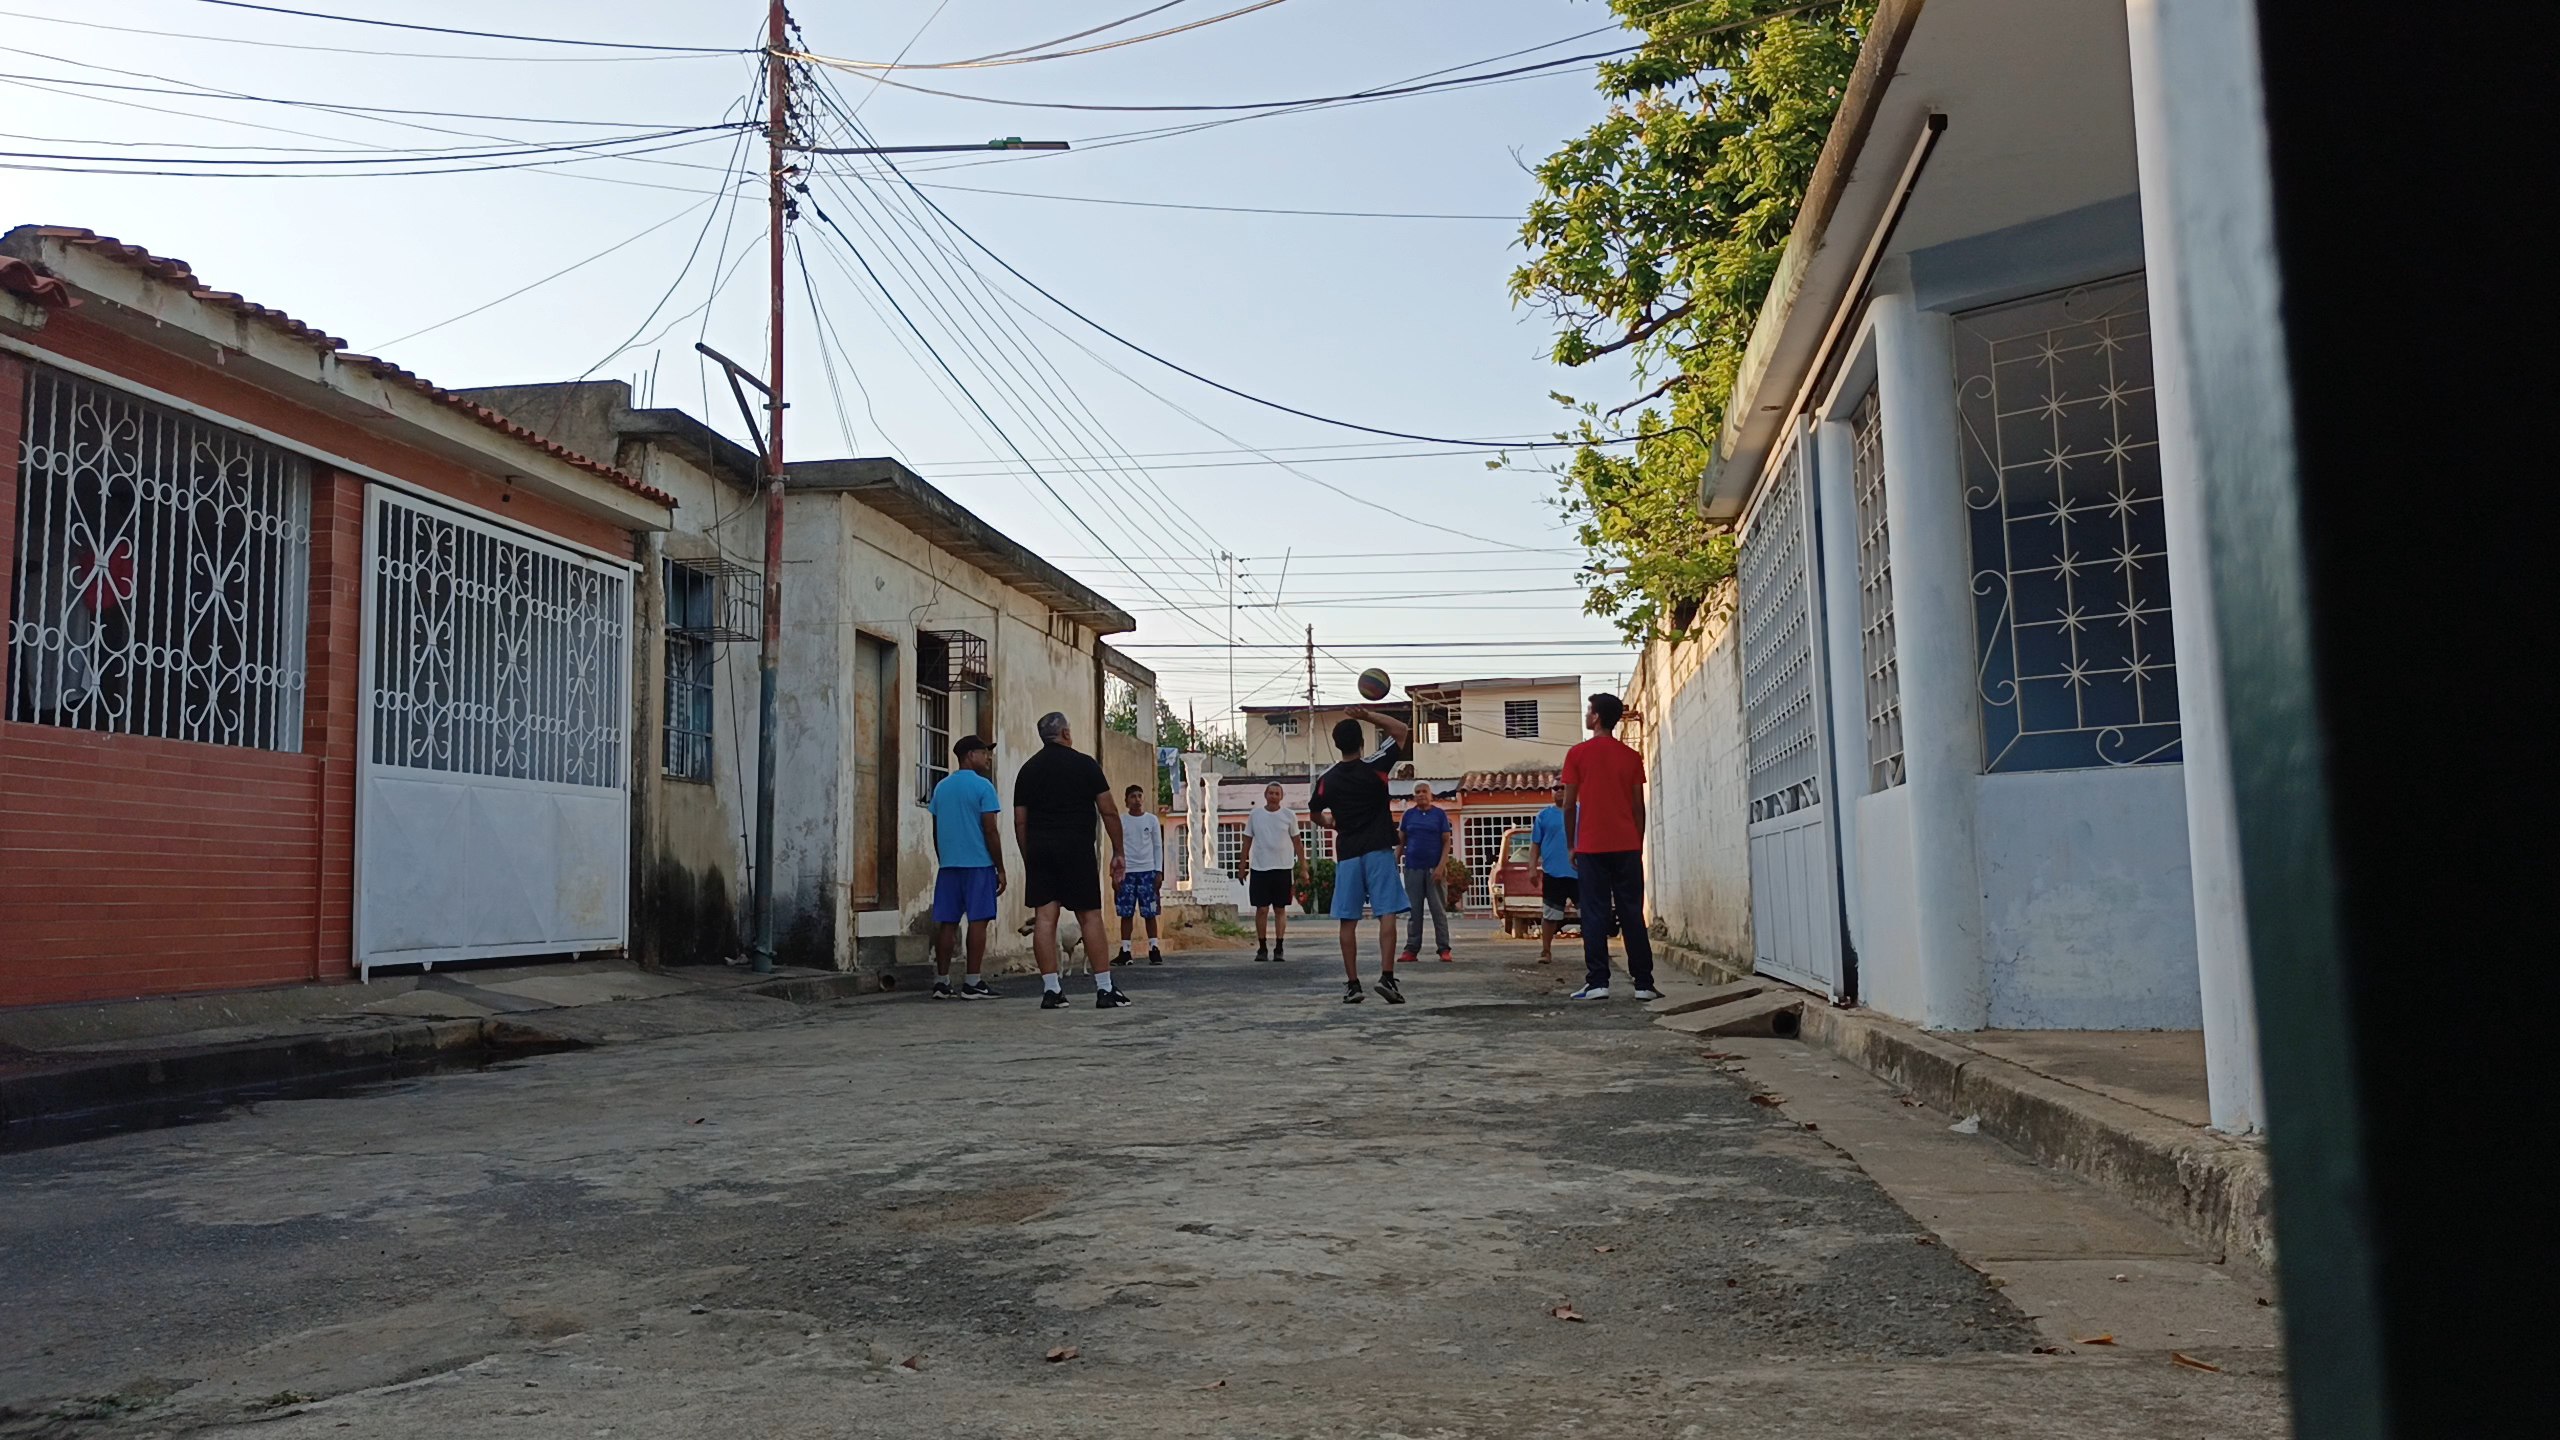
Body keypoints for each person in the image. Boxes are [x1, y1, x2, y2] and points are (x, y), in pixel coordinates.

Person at [1013, 711, 1130, 1010]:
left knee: (1044, 918)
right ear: (1065, 733)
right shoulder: (1085, 764)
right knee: (1089, 916)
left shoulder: (1028, 770)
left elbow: (1020, 821)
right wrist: (1118, 851)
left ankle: (1052, 990)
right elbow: (1109, 811)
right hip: (1077, 848)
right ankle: (1105, 989)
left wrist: (1029, 856)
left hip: (1040, 849)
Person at [1308, 704, 1413, 1004]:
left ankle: (1353, 985)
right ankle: (1387, 977)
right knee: (1387, 913)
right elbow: (1401, 730)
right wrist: (1367, 715)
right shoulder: (1375, 766)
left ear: (1337, 745)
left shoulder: (1327, 779)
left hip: (1349, 854)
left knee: (1348, 920)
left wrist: (1330, 822)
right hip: (1378, 849)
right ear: (1362, 742)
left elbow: (1314, 812)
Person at [1562, 692, 1658, 1002]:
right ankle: (1643, 984)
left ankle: (1598, 982)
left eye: (1589, 711)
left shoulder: (1577, 754)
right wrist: (1637, 843)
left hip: (1591, 846)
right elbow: (1638, 807)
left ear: (1597, 717)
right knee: (1631, 913)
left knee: (1594, 913)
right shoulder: (1631, 757)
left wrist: (1571, 844)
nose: (1586, 715)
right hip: (1626, 846)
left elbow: (1568, 805)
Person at [927, 734, 1007, 999]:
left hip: (949, 865)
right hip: (979, 863)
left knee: (947, 923)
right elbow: (990, 830)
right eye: (984, 752)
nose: (988, 757)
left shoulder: (941, 788)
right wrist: (1000, 867)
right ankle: (973, 981)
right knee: (978, 921)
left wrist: (944, 858)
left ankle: (942, 981)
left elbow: (936, 830)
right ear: (970, 755)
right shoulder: (984, 787)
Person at [1240, 782, 1304, 962]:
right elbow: (1247, 842)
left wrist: (1303, 866)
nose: (1274, 796)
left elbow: (1297, 842)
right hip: (1260, 868)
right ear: (1265, 795)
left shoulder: (1289, 815)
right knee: (1261, 909)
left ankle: (1279, 947)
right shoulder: (1255, 815)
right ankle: (1262, 947)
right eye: (1271, 793)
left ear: (1281, 797)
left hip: (1283, 868)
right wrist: (1242, 866)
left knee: (1279, 909)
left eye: (1277, 793)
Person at [1397, 782, 1455, 964]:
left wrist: (1440, 867)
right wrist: (1393, 862)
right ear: (1413, 795)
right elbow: (1401, 842)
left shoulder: (1439, 815)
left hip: (1434, 870)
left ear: (1431, 794)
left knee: (1438, 911)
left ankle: (1444, 949)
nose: (1421, 794)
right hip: (1413, 869)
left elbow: (1446, 842)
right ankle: (1411, 949)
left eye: (1424, 791)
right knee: (1414, 911)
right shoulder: (1408, 815)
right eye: (1417, 792)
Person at [1114, 784, 1165, 967]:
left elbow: (1157, 846)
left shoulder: (1151, 820)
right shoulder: (1121, 821)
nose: (1137, 800)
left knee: (1150, 913)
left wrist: (1158, 871)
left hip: (1147, 872)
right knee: (1126, 913)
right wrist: (1116, 873)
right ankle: (1125, 951)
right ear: (1126, 801)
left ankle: (1154, 949)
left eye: (1139, 796)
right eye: (1133, 796)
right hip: (1127, 873)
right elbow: (1116, 847)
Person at [1527, 780, 1577, 965]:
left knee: (1590, 914)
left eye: (1563, 787)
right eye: (1556, 788)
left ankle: (1596, 951)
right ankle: (1546, 951)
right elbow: (1535, 844)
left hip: (1579, 872)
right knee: (1549, 916)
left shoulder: (1581, 812)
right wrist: (1532, 868)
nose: (1560, 791)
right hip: (1553, 873)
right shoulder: (1543, 816)